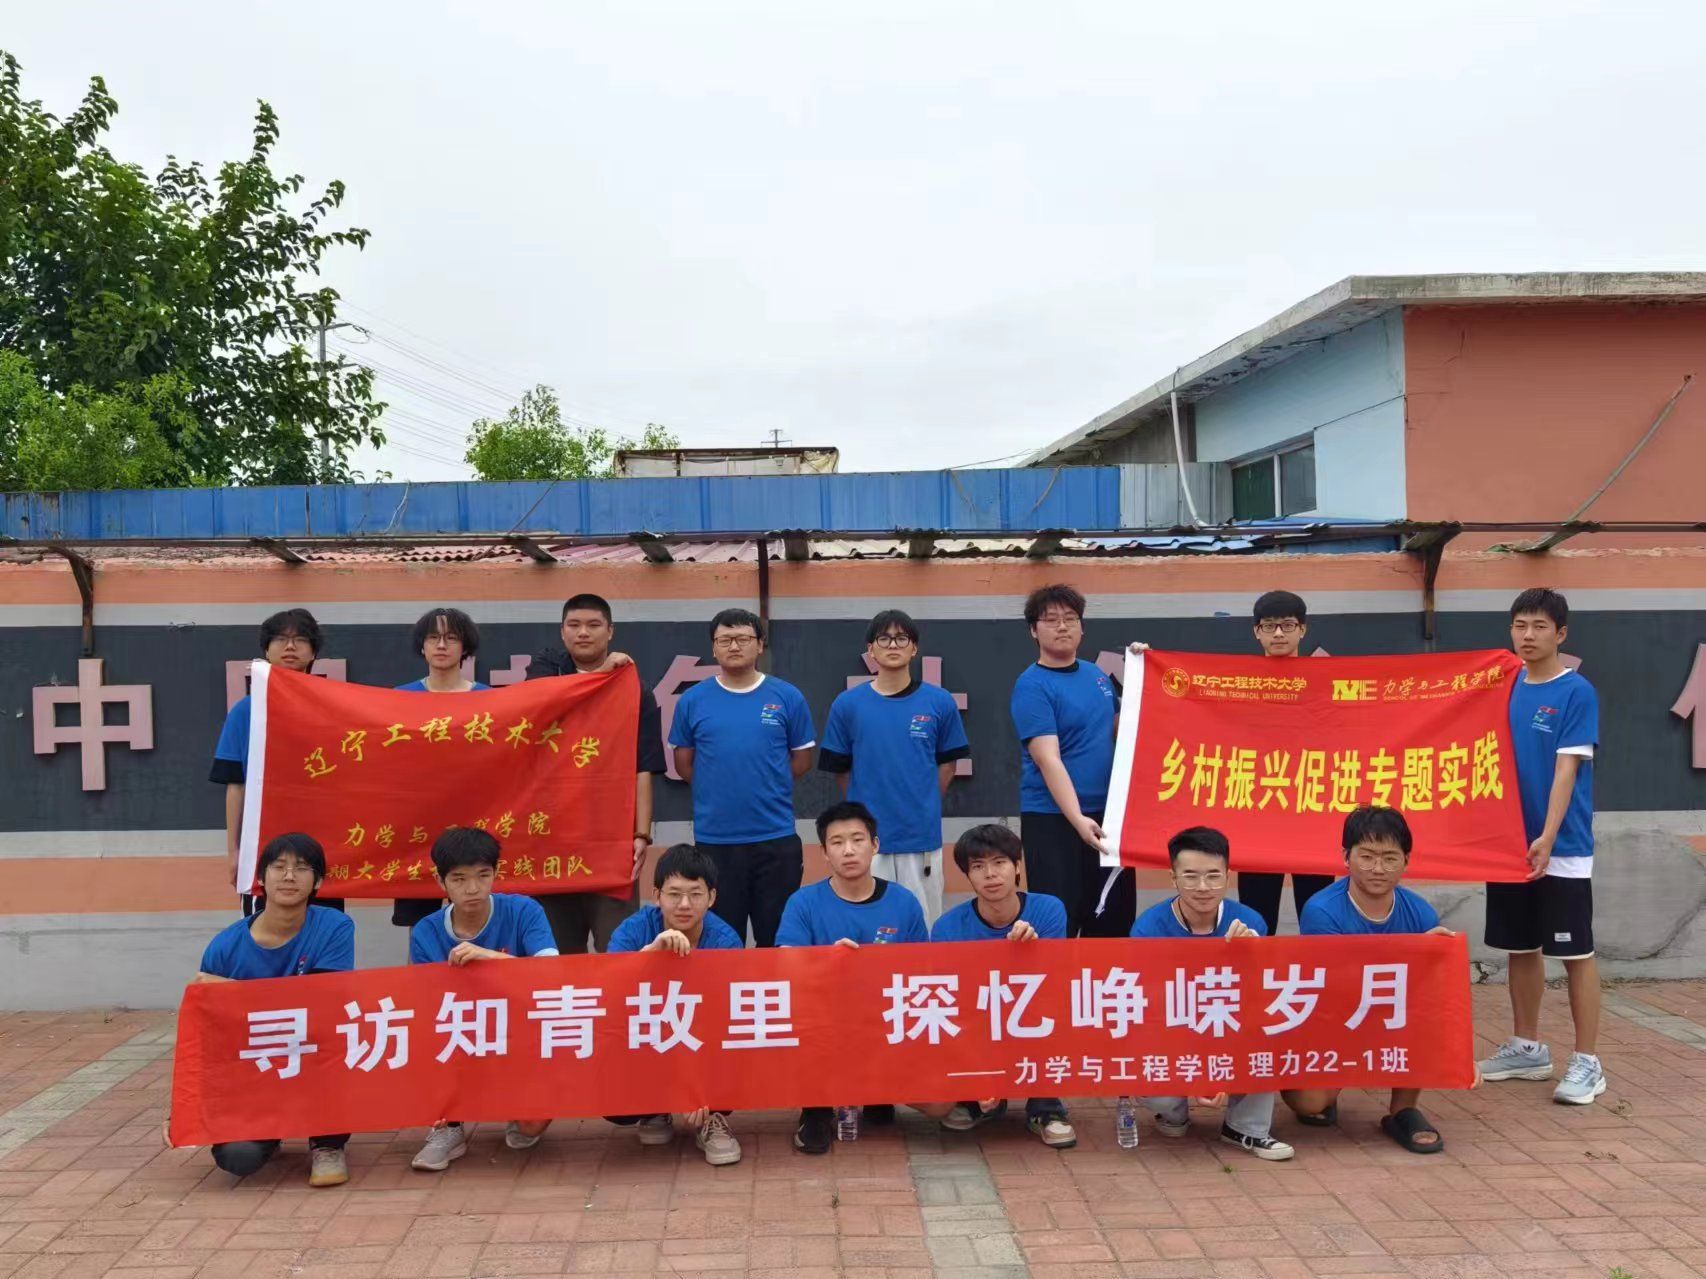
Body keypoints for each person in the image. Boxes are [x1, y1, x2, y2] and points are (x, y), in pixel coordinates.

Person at [1130, 589, 1329, 935]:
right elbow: (1189, 708)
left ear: (1303, 630)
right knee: (1257, 918)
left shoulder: (1328, 681)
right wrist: (1146, 663)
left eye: (1287, 625)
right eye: (1269, 626)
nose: (1278, 633)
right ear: (1256, 632)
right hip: (1256, 814)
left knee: (1318, 916)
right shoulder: (1238, 682)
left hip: (1311, 814)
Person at [1478, 588, 1605, 1105]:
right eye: (1519, 625)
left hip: (1562, 846)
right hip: (1509, 843)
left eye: (1539, 626)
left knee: (1575, 953)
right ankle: (1527, 1048)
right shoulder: (1505, 684)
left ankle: (1588, 1062)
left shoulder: (1576, 691)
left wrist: (1547, 838)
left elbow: (1565, 770)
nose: (1527, 635)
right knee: (1521, 947)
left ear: (1561, 633)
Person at [1283, 807, 1460, 1154]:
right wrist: (1412, 955)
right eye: (1366, 856)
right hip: (1334, 1018)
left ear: (1406, 861)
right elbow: (1333, 983)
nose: (1378, 868)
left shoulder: (1421, 913)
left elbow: (1435, 991)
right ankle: (1323, 1087)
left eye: (1390, 858)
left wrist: (1459, 1053)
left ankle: (1403, 1110)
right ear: (1345, 857)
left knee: (1424, 1010)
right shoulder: (1321, 909)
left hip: (1393, 1014)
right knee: (1310, 1103)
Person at [776, 802, 946, 1152]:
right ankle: (817, 1107)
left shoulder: (903, 901)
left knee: (941, 1104)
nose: (849, 850)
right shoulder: (803, 902)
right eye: (837, 842)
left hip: (886, 1024)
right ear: (824, 852)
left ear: (875, 845)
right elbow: (785, 965)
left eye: (857, 839)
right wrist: (826, 961)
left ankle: (875, 1091)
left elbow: (922, 972)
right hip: (824, 1026)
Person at [191, 832, 354, 1187]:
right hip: (254, 1065)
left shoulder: (334, 927)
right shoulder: (225, 947)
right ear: (261, 879)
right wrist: (184, 1104)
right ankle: (270, 1127)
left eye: (302, 868)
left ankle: (327, 1143)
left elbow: (324, 1000)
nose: (289, 876)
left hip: (313, 1051)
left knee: (340, 1042)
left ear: (318, 882)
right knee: (238, 1157)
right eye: (279, 867)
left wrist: (236, 992)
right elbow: (206, 1035)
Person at [1128, 827, 1292, 1160]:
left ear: (1228, 877)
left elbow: (1260, 1003)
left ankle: (1247, 1127)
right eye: (1190, 876)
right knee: (1148, 1070)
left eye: (1213, 876)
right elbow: (1151, 1011)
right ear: (1173, 878)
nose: (1203, 887)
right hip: (1173, 1032)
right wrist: (1197, 1075)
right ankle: (1171, 1112)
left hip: (1229, 1029)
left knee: (1270, 1031)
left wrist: (1252, 957)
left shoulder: (1250, 922)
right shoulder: (1148, 928)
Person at [408, 827, 560, 1171]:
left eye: (483, 875)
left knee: (529, 1127)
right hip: (462, 1033)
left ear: (496, 873)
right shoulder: (426, 931)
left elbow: (551, 975)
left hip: (520, 1031)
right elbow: (428, 1003)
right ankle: (449, 1127)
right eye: (459, 879)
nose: (473, 888)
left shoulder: (524, 910)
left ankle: (515, 1103)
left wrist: (489, 958)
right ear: (440, 881)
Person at [526, 594, 665, 953]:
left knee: (616, 951)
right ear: (562, 632)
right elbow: (542, 700)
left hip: (610, 843)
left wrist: (641, 834)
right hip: (550, 843)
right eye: (574, 625)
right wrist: (602, 676)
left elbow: (644, 766)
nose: (583, 633)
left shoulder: (635, 691)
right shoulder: (546, 668)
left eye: (593, 625)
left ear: (610, 631)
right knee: (554, 956)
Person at [670, 608, 816, 948]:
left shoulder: (787, 696)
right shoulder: (692, 700)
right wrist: (718, 786)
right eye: (725, 640)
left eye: (743, 638)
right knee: (722, 941)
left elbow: (801, 761)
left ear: (760, 644)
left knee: (777, 940)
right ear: (713, 647)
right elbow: (684, 765)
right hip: (715, 842)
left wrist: (767, 782)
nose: (734, 646)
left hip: (775, 838)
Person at [819, 609, 970, 924]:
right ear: (870, 649)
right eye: (884, 638)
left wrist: (920, 802)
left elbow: (947, 766)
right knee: (870, 927)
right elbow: (842, 771)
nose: (892, 645)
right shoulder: (847, 705)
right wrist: (866, 812)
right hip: (867, 841)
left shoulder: (939, 702)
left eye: (902, 638)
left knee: (924, 926)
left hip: (920, 839)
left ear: (914, 648)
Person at [930, 824, 1075, 1148]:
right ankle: (977, 1095)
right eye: (978, 866)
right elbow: (953, 1002)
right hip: (978, 1018)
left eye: (999, 863)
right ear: (968, 876)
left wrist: (1031, 951)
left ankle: (1046, 1107)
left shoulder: (1048, 909)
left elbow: (1055, 980)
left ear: (1017, 866)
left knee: (1055, 1011)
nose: (990, 874)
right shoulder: (947, 928)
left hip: (1033, 1015)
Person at [606, 844, 744, 1165]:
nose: (684, 904)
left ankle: (712, 1118)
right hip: (648, 1036)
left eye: (695, 894)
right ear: (656, 895)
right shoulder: (634, 930)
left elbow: (724, 1018)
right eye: (674, 894)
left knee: (736, 1047)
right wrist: (651, 955)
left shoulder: (725, 941)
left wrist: (695, 1087)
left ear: (712, 897)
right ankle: (655, 1107)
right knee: (615, 1102)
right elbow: (609, 988)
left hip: (699, 1040)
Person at [211, 609, 344, 917]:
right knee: (262, 931)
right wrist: (234, 851)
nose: (290, 647)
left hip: (322, 848)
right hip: (264, 848)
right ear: (266, 650)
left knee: (322, 929)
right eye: (281, 639)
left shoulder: (335, 708)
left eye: (300, 639)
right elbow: (236, 785)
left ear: (313, 652)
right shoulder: (246, 711)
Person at [1010, 584, 1120, 937]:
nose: (1062, 626)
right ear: (1033, 630)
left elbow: (1123, 731)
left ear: (1082, 627)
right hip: (1053, 820)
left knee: (1111, 920)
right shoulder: (1032, 685)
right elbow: (1048, 759)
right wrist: (1077, 819)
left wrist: (1147, 670)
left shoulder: (1097, 676)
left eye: (1070, 618)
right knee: (1059, 922)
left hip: (1107, 819)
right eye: (1051, 620)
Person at [391, 607, 489, 935]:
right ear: (422, 646)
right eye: (433, 637)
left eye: (451, 638)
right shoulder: (398, 699)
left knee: (477, 926)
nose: (442, 645)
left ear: (465, 646)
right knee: (421, 933)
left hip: (474, 830)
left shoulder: (490, 700)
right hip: (416, 835)